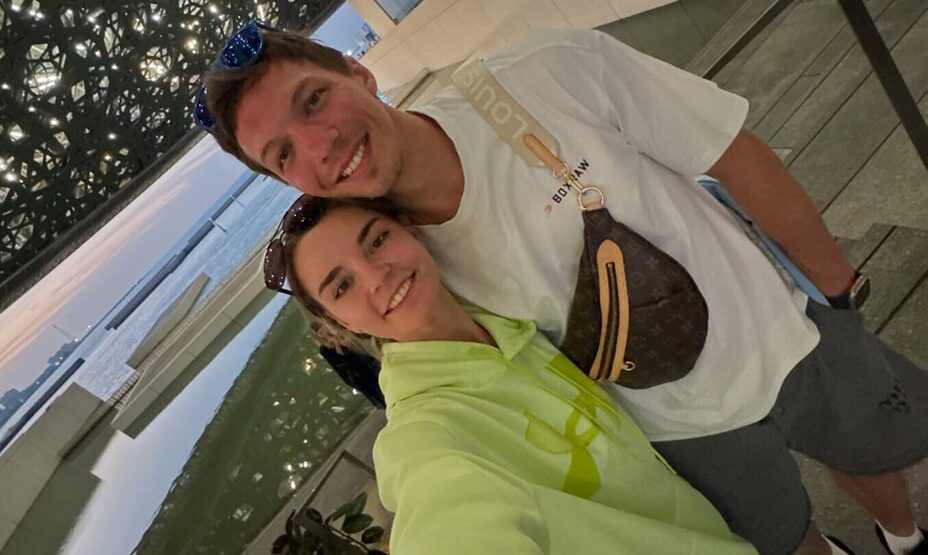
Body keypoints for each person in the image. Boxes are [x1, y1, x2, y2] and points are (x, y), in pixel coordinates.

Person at [198, 23, 928, 555]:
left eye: (313, 100)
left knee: (871, 452)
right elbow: (431, 456)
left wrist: (838, 293)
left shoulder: (541, 74)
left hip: (779, 326)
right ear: (287, 180)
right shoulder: (396, 263)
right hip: (679, 434)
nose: (318, 143)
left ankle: (903, 537)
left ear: (360, 74)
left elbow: (730, 152)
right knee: (787, 538)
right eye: (283, 153)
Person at [276, 196, 756, 554]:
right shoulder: (424, 432)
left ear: (410, 230)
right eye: (343, 286)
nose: (376, 275)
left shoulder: (504, 316)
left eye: (378, 240)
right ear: (337, 324)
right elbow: (444, 510)